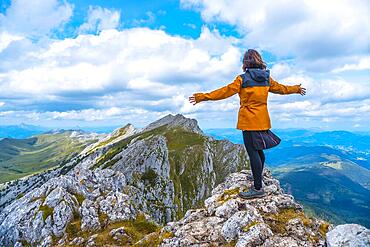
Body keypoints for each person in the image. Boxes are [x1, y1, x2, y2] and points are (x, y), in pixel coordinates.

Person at [189, 49, 306, 199]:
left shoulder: (242, 79)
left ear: (245, 63)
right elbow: (282, 89)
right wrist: (296, 89)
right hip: (263, 120)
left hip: (249, 121)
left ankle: (258, 188)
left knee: (253, 153)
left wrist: (202, 97)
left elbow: (224, 92)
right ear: (259, 60)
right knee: (259, 151)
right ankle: (258, 176)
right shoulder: (267, 79)